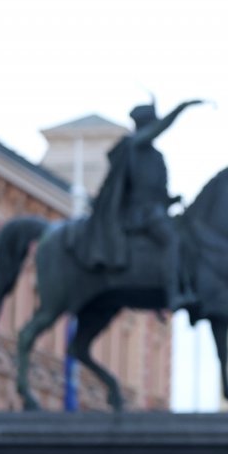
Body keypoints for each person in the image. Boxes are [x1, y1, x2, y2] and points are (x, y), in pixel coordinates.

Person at [66, 99, 202, 311]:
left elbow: (159, 192)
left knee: (186, 235)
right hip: (139, 214)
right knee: (171, 240)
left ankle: (176, 288)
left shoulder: (156, 157)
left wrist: (172, 200)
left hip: (156, 210)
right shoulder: (133, 146)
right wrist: (183, 107)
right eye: (152, 124)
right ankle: (173, 294)